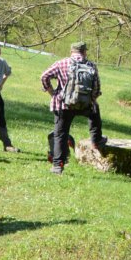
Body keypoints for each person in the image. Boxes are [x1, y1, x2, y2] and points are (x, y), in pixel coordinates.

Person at [41, 41, 107, 175]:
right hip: (85, 104)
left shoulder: (61, 63)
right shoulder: (91, 65)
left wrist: (52, 92)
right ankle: (96, 141)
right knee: (95, 111)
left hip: (64, 104)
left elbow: (44, 76)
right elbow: (97, 88)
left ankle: (58, 166)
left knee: (60, 135)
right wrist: (91, 100)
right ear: (84, 52)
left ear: (71, 51)